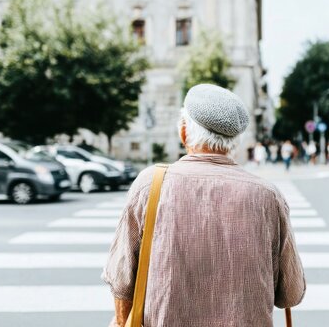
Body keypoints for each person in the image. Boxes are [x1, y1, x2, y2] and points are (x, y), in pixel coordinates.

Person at [103, 84, 305, 327]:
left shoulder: (150, 185)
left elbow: (121, 281)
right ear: (235, 141)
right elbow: (291, 293)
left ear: (184, 132)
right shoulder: (268, 197)